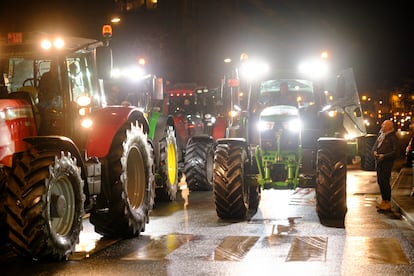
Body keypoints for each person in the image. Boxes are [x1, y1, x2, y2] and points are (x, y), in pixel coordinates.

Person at [372, 120, 398, 211]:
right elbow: (375, 147)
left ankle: (387, 202)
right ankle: (384, 201)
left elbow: (395, 152)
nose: (382, 126)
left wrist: (384, 156)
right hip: (379, 163)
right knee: (380, 182)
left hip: (386, 164)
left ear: (389, 127)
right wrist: (375, 152)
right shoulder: (381, 136)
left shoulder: (392, 137)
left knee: (385, 182)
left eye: (384, 125)